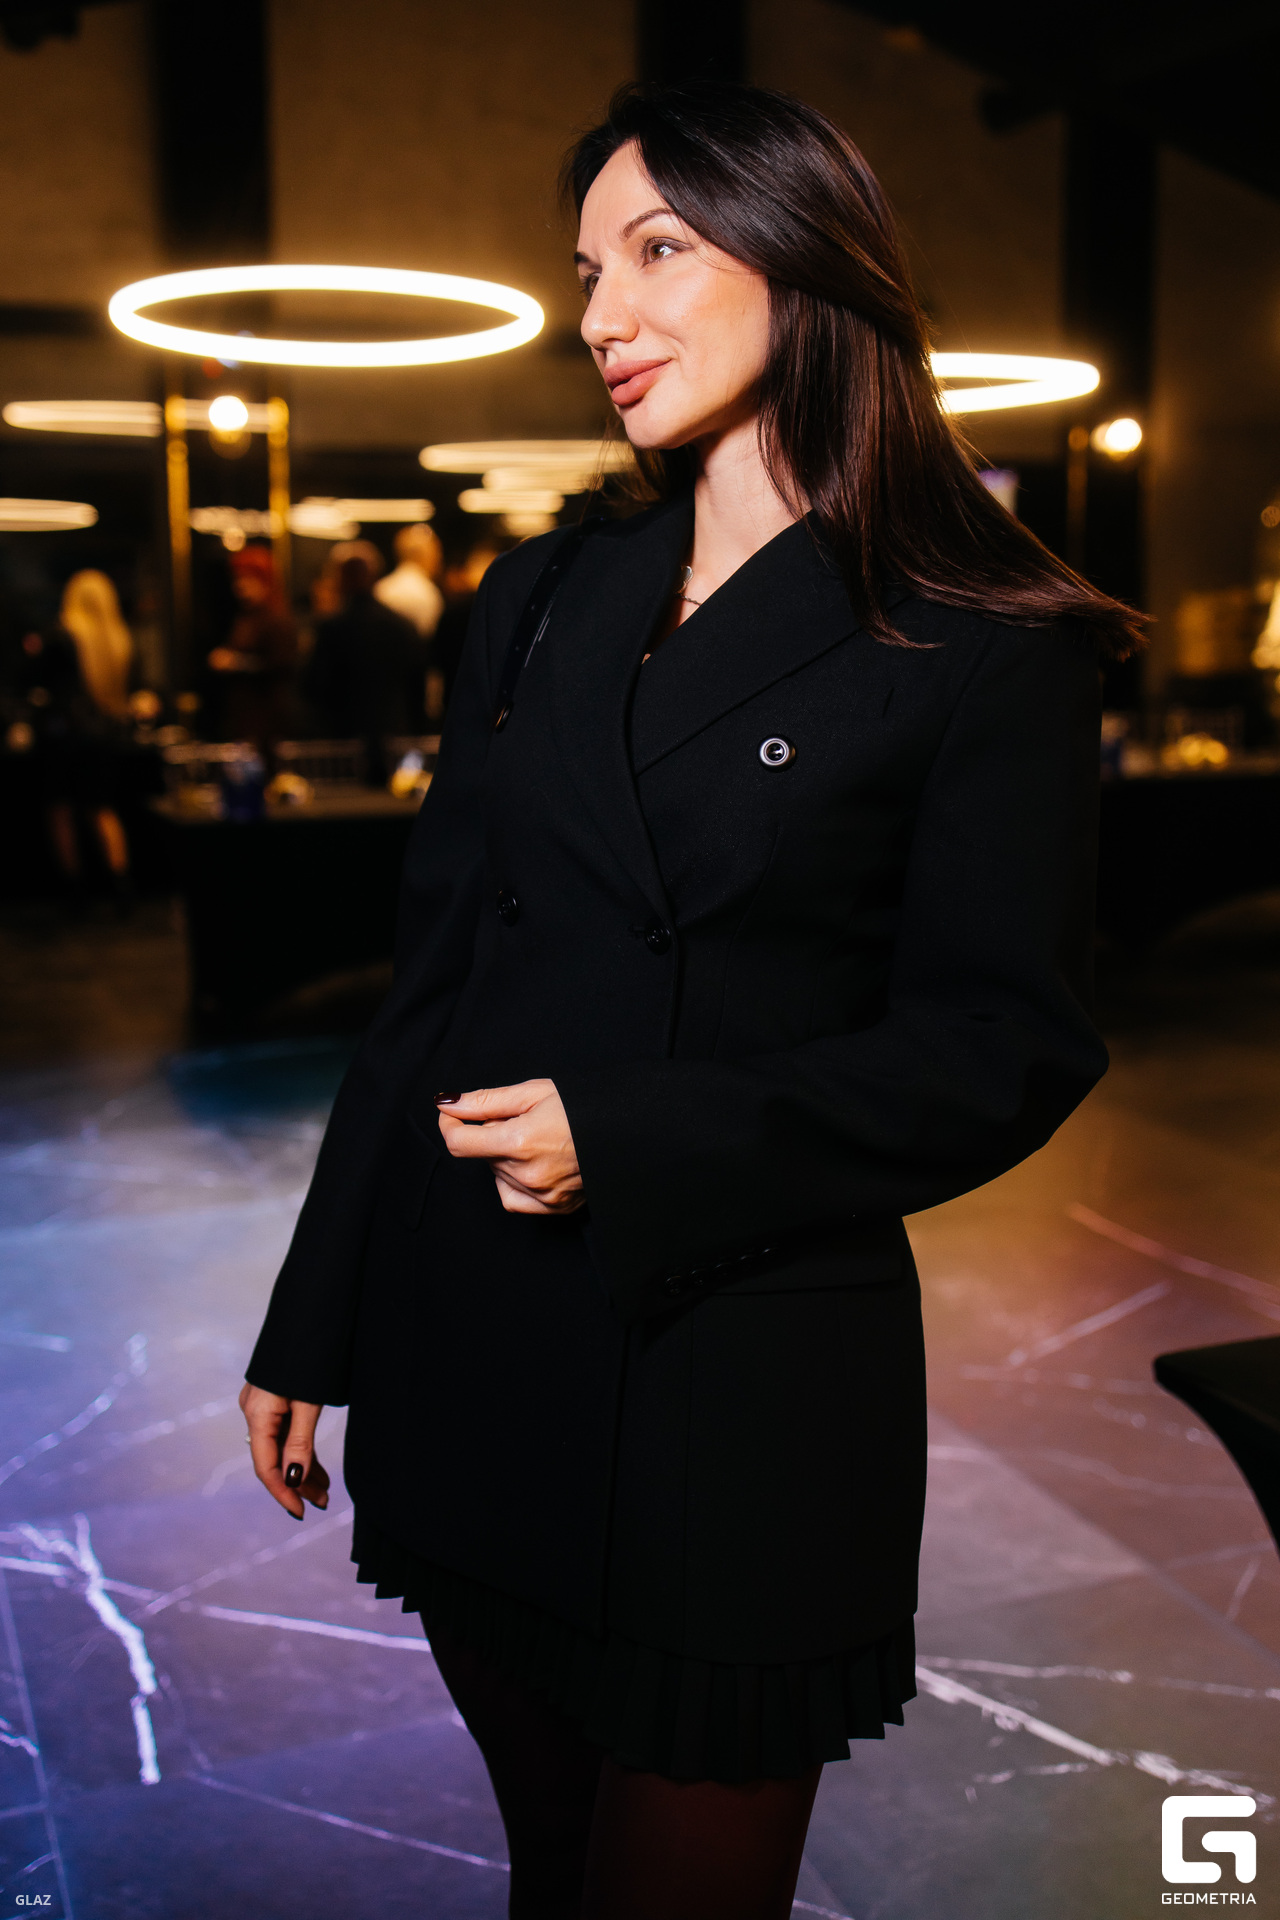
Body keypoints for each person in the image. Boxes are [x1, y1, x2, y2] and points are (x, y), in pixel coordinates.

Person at [241, 81, 1143, 1919]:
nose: (601, 315)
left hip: (739, 1381)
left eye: (657, 250)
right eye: (587, 271)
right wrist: (312, 1318)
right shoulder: (542, 595)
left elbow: (1003, 1046)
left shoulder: (986, 635)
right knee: (550, 1876)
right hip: (474, 1341)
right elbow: (435, 983)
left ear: (806, 258)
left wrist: (636, 1138)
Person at [303, 554, 428, 780]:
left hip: (344, 738)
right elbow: (417, 683)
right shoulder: (401, 625)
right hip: (393, 733)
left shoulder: (331, 628)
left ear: (341, 580)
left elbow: (315, 684)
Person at [206, 544, 298, 753]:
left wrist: (235, 662)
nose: (240, 585)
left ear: (265, 580)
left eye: (248, 578)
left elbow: (283, 665)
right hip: (244, 715)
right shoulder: (246, 615)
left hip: (268, 718)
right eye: (237, 578)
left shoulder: (276, 618)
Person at [374, 522, 445, 638]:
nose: (439, 559)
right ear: (426, 555)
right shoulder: (427, 593)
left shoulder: (380, 589)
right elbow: (427, 638)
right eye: (437, 553)